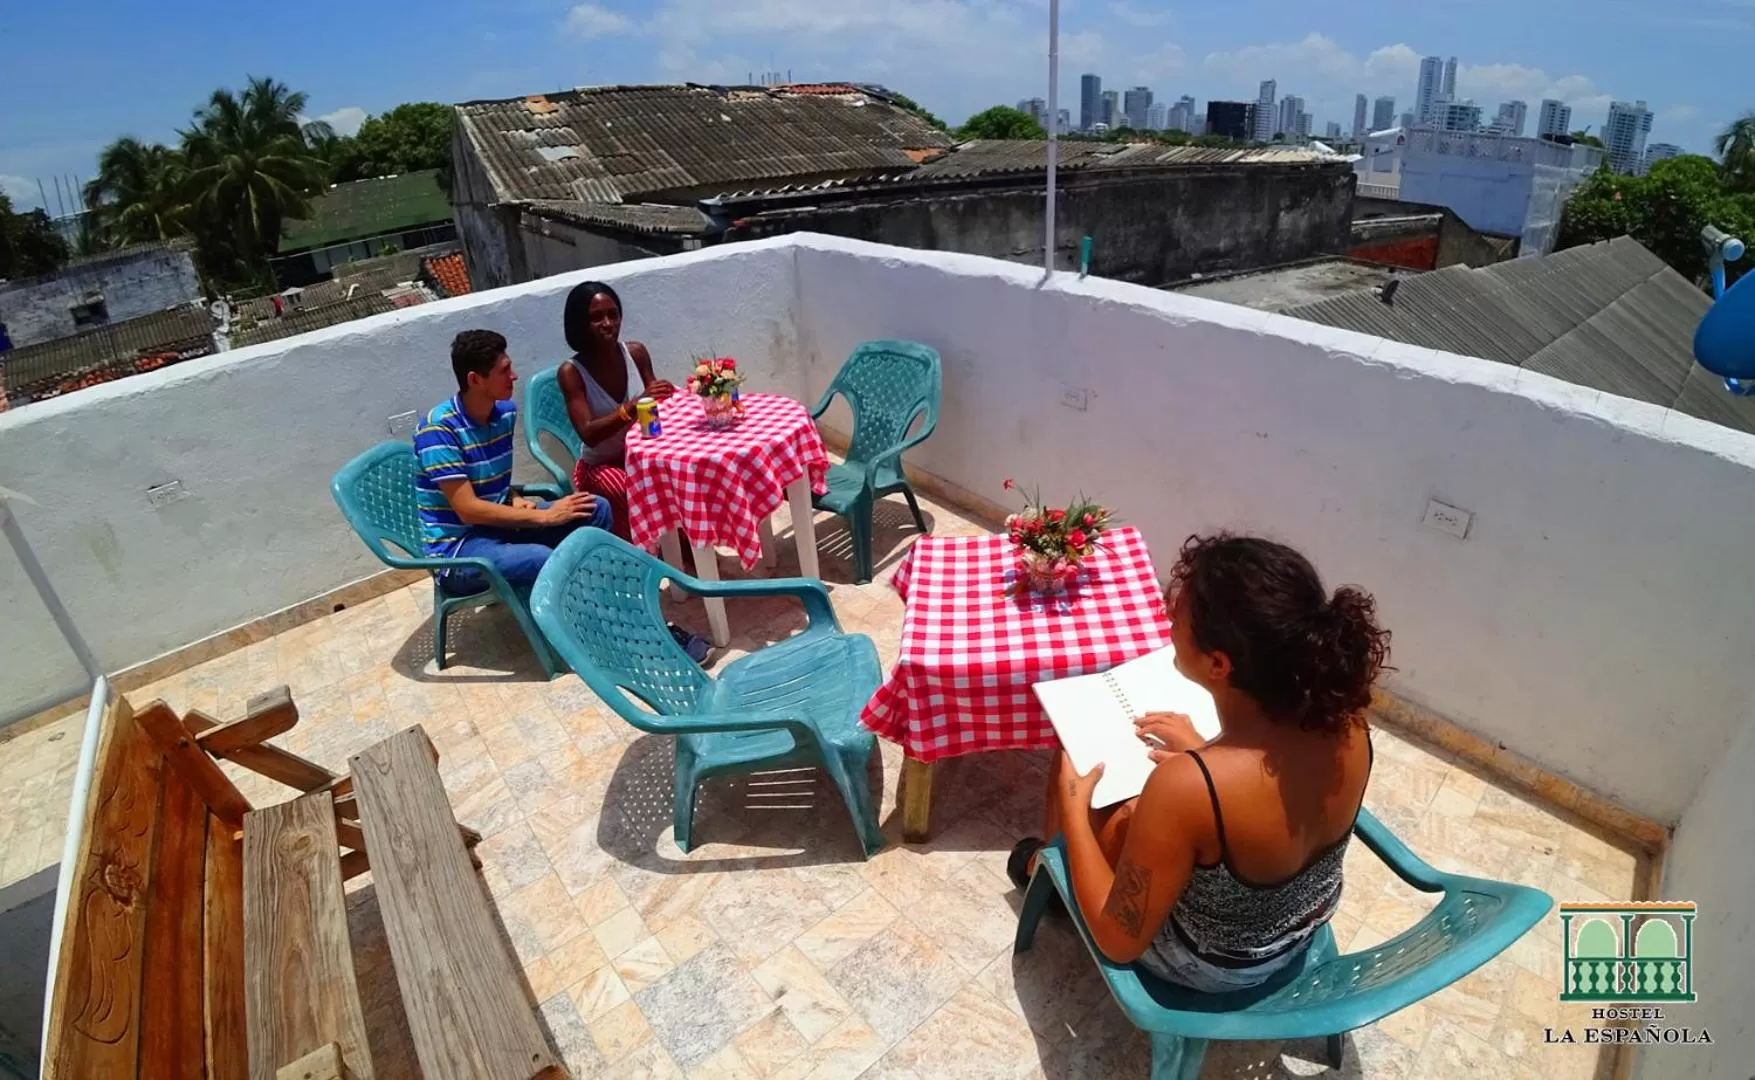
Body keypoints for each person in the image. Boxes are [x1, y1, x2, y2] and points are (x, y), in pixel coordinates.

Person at [1008, 533, 1391, 993]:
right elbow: (1272, 791)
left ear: (1218, 664)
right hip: (1301, 923)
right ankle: (1049, 866)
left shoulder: (1189, 786)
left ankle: (1047, 875)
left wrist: (1072, 810)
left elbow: (1118, 942)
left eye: (1177, 617)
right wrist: (1206, 749)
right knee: (1142, 820)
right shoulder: (1347, 720)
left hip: (1216, 966)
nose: (1169, 622)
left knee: (1083, 780)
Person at [415, 329, 611, 596]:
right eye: (504, 371)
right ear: (475, 379)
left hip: (499, 526)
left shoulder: (504, 414)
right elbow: (468, 510)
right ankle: (580, 612)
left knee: (596, 508)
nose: (514, 376)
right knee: (539, 558)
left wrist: (512, 497)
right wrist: (544, 516)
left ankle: (589, 593)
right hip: (458, 551)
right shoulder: (438, 431)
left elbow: (490, 481)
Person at [558, 281, 675, 541]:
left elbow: (656, 407)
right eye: (596, 318)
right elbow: (588, 432)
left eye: (613, 314)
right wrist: (631, 407)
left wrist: (667, 396)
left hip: (643, 455)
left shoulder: (636, 353)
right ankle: (638, 555)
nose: (608, 323)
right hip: (601, 465)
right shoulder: (572, 373)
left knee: (679, 474)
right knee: (627, 487)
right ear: (580, 324)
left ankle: (684, 551)